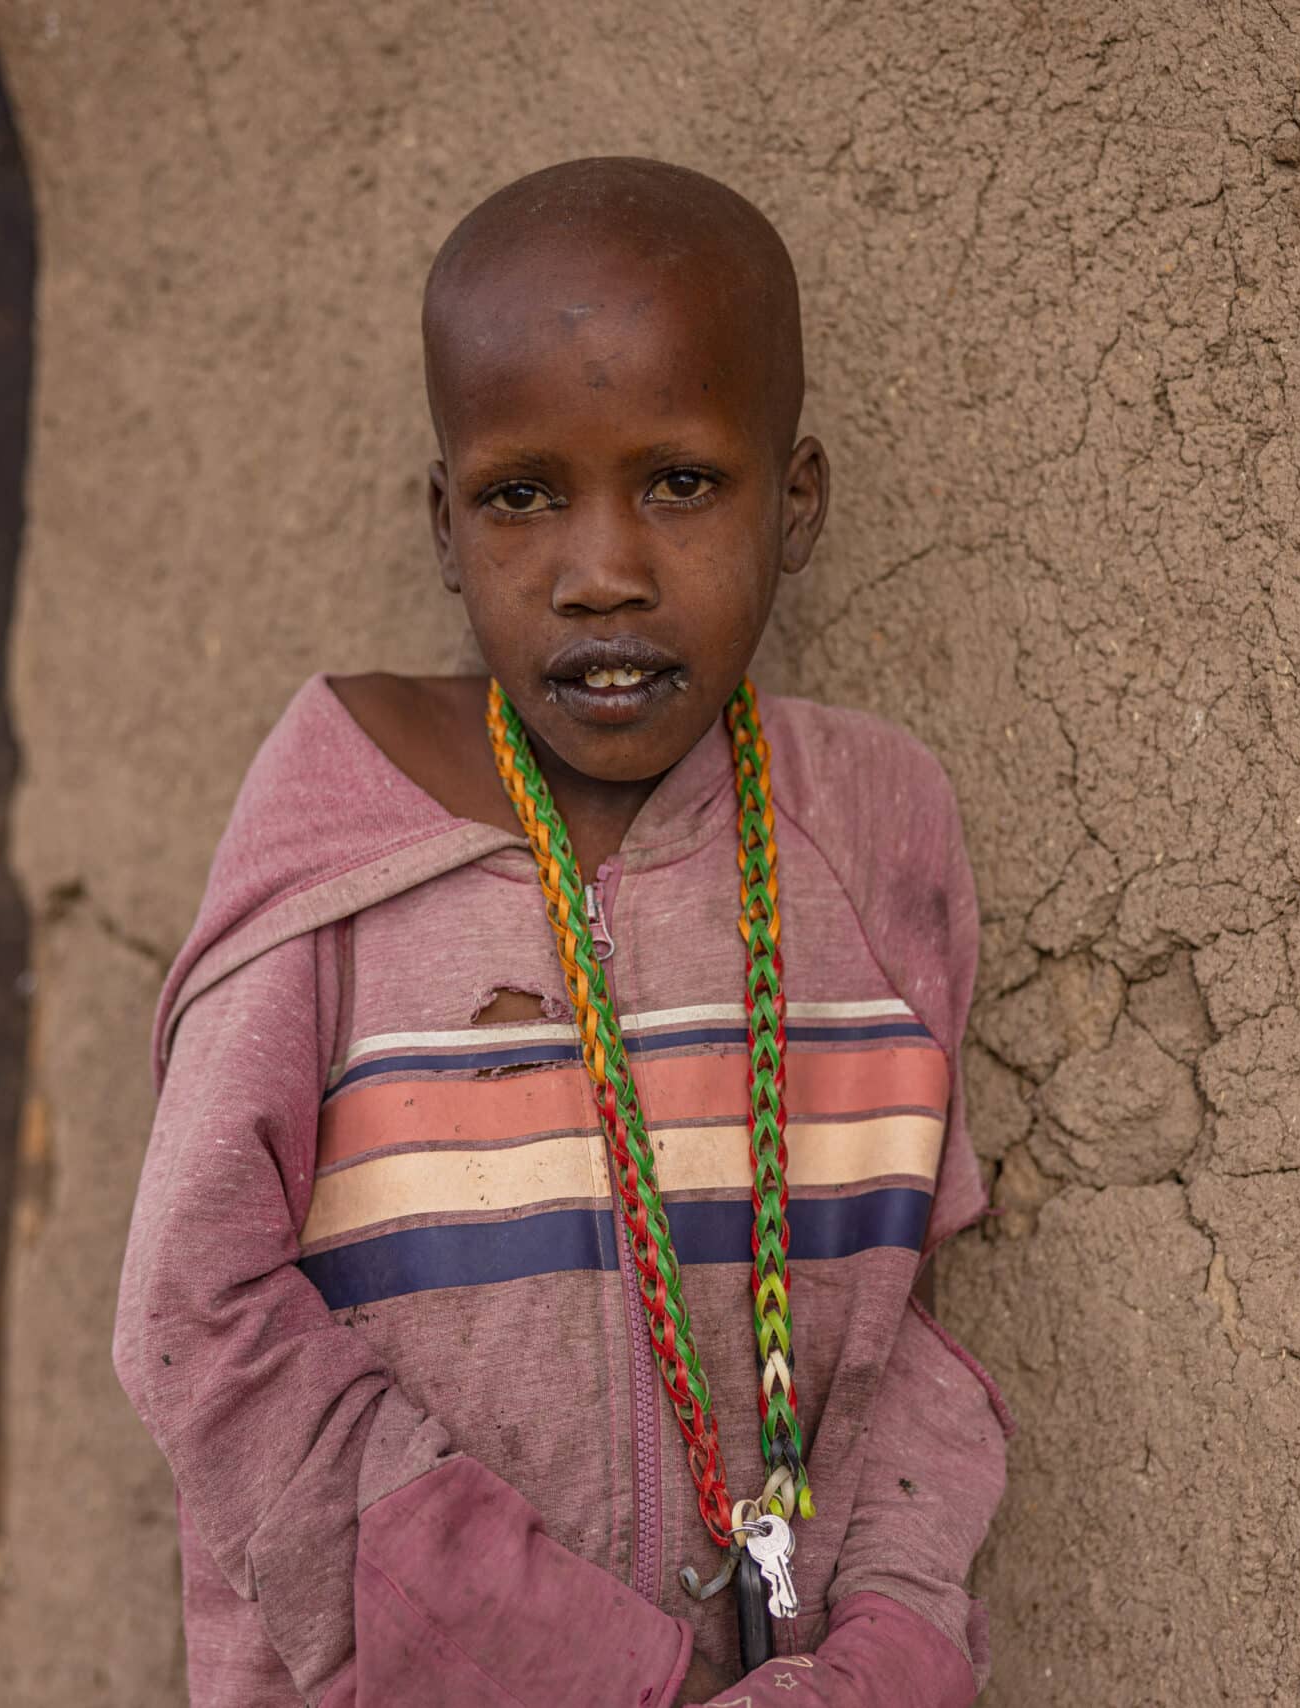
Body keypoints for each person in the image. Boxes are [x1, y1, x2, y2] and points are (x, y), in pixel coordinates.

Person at [117, 156, 1013, 1706]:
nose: (602, 572)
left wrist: (893, 1646)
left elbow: (904, 1317)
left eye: (680, 482)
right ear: (445, 523)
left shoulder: (871, 834)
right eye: (523, 495)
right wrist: (572, 1661)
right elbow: (197, 1317)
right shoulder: (343, 832)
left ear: (794, 501)